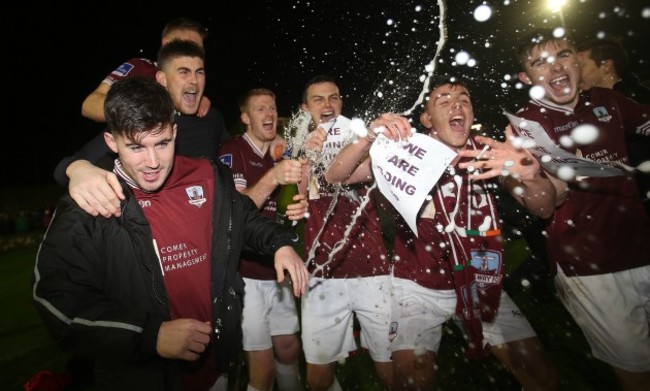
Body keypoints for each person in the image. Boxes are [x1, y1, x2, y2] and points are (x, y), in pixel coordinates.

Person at [32, 77, 309, 390]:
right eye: (136, 147)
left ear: (175, 132)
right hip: (141, 379)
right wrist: (149, 335)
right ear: (112, 142)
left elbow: (241, 218)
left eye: (162, 143)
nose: (152, 162)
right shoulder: (89, 202)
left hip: (217, 368)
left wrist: (279, 244)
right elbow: (55, 300)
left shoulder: (206, 173)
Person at [325, 76, 559, 390]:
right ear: (426, 119)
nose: (456, 104)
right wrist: (368, 137)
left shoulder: (488, 153)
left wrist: (531, 175)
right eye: (443, 100)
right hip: (417, 286)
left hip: (479, 281)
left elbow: (543, 208)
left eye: (464, 98)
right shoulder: (407, 151)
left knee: (540, 375)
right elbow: (336, 176)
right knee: (412, 378)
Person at [468, 28, 650, 390]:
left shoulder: (607, 100)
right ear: (527, 77)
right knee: (638, 373)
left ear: (577, 61)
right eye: (540, 63)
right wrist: (534, 177)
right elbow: (548, 204)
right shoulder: (525, 126)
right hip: (591, 269)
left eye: (563, 56)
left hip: (644, 246)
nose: (555, 68)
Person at [53, 39, 230, 218]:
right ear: (162, 79)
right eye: (184, 72)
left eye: (199, 72)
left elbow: (232, 156)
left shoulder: (213, 118)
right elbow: (70, 167)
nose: (194, 81)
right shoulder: (141, 124)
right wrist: (77, 169)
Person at [299, 75, 393, 391]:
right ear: (305, 109)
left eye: (334, 97)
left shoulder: (365, 143)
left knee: (391, 367)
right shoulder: (296, 150)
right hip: (323, 275)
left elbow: (345, 175)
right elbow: (294, 198)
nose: (328, 105)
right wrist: (306, 156)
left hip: (373, 271)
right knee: (318, 378)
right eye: (318, 99)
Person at [217, 88, 306, 391]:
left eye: (272, 107)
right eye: (259, 109)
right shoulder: (232, 151)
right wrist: (273, 177)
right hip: (247, 275)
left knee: (288, 349)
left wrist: (301, 206)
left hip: (278, 271)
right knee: (262, 367)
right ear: (245, 117)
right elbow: (236, 213)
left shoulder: (284, 152)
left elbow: (295, 203)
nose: (269, 114)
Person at [81, 17, 213, 122]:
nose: (193, 53)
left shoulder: (196, 82)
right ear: (166, 43)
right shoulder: (141, 67)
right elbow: (89, 105)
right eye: (186, 45)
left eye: (199, 49)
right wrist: (140, 107)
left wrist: (194, 99)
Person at [577, 37, 650, 213]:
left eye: (583, 66)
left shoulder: (636, 99)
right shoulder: (592, 107)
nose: (577, 73)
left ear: (606, 66)